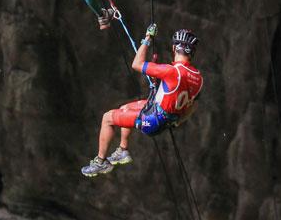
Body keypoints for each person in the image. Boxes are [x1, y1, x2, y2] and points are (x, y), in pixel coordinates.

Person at [81, 26, 203, 176]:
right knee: (125, 107)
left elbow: (136, 64)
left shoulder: (171, 71)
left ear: (174, 48)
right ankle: (122, 150)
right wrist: (179, 120)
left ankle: (100, 162)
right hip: (166, 116)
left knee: (107, 118)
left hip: (153, 119)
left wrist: (147, 39)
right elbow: (193, 105)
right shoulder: (198, 78)